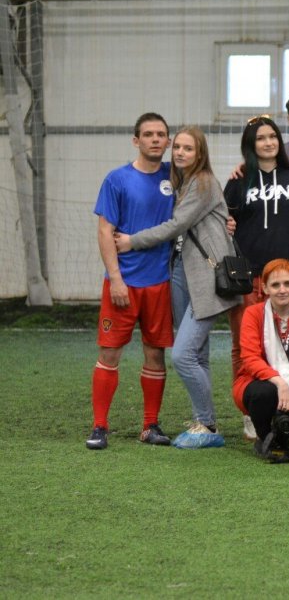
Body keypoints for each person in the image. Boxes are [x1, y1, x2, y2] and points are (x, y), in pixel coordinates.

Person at [115, 127, 241, 448]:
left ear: (200, 153)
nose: (181, 153)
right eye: (179, 147)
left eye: (189, 148)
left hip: (207, 277)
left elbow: (176, 225)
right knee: (198, 354)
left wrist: (132, 241)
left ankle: (208, 425)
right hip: (182, 272)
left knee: (183, 355)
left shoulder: (203, 182)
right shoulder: (181, 182)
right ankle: (203, 422)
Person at [87, 113, 175, 450]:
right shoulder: (117, 179)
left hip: (160, 283)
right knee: (109, 353)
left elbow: (205, 185)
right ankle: (99, 426)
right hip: (123, 283)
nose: (155, 139)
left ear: (168, 141)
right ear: (136, 140)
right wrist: (116, 279)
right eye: (148, 134)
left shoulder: (175, 176)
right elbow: (105, 231)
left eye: (161, 134)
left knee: (155, 354)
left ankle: (150, 425)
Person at [224, 115, 289, 387]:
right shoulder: (238, 181)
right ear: (250, 144)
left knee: (283, 343)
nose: (268, 142)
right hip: (246, 276)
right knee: (244, 343)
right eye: (260, 138)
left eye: (272, 137)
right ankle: (247, 399)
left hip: (282, 276)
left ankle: (281, 399)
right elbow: (225, 223)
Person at [233, 259, 289, 462]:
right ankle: (267, 438)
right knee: (263, 393)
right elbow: (250, 358)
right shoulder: (252, 314)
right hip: (257, 383)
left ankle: (287, 430)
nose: (282, 290)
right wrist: (280, 383)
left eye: (287, 284)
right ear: (265, 288)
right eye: (275, 285)